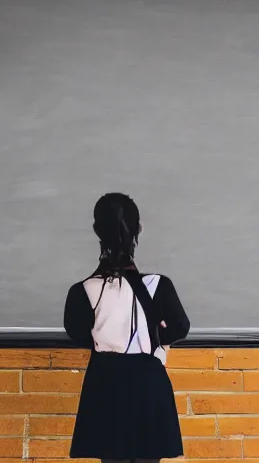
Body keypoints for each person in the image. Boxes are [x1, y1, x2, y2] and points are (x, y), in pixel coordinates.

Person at [63, 192, 190, 463]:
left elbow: (77, 333)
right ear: (138, 231)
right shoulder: (159, 286)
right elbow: (180, 327)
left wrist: (110, 338)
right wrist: (154, 335)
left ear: (98, 231)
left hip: (105, 381)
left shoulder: (82, 291)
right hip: (148, 381)